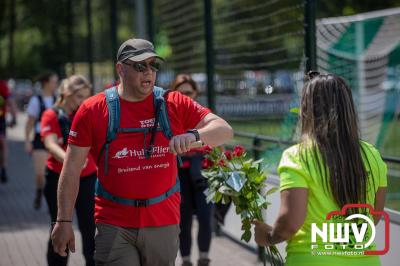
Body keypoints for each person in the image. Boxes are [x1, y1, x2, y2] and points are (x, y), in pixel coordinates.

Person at [51, 38, 233, 266]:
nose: (148, 72)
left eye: (153, 65)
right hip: (114, 221)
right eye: (139, 66)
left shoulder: (173, 102)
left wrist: (194, 136)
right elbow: (71, 169)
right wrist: (63, 220)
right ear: (120, 69)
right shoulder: (93, 110)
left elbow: (224, 130)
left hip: (163, 221)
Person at [252, 71, 387, 266]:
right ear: (348, 108)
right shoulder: (372, 154)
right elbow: (373, 218)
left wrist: (269, 237)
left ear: (307, 109)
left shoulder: (297, 156)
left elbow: (290, 224)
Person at [41, 75, 96, 266]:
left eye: (87, 97)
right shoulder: (52, 114)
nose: (83, 101)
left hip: (88, 179)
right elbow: (50, 143)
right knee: (60, 228)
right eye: (79, 96)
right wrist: (70, 160)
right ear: (66, 94)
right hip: (58, 179)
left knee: (90, 229)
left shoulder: (86, 114)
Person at [171, 74, 212, 266]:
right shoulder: (170, 116)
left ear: (195, 93)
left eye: (189, 92)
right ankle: (186, 260)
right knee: (184, 221)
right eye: (181, 93)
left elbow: (215, 140)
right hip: (180, 174)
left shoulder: (204, 114)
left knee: (206, 218)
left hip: (202, 172)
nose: (186, 96)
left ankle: (204, 258)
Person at [25, 71, 58, 209]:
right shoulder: (36, 100)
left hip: (56, 139)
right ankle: (39, 191)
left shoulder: (59, 99)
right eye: (54, 82)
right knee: (40, 173)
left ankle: (53, 198)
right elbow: (30, 123)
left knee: (55, 173)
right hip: (40, 138)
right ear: (46, 83)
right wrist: (27, 141)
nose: (56, 85)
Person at [0, 78, 17, 183]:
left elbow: (10, 102)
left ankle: (4, 169)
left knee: (2, 143)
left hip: (0, 120)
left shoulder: (2, 85)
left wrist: (14, 118)